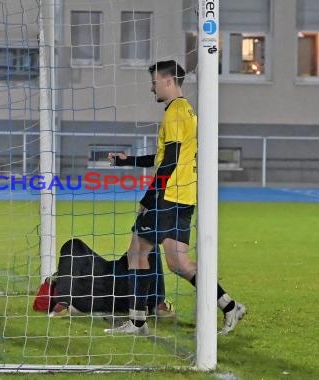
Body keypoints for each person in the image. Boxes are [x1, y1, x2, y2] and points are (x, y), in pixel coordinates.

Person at [105, 60, 246, 335]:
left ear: (169, 81)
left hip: (168, 196)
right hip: (184, 195)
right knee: (178, 263)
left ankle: (137, 322)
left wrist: (149, 196)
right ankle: (229, 306)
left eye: (155, 81)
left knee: (137, 252)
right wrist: (128, 160)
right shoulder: (184, 111)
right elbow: (165, 157)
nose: (152, 86)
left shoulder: (176, 112)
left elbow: (169, 162)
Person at [42, 238, 174, 318]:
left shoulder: (71, 274)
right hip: (119, 291)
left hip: (97, 289)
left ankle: (63, 304)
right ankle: (157, 304)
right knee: (148, 243)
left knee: (73, 245)